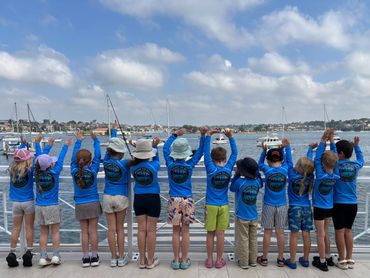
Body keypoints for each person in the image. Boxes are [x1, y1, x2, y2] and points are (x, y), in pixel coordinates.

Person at [163, 127, 207, 270]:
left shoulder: (170, 164)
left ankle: (176, 260)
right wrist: (202, 135)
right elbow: (200, 152)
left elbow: (164, 149)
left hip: (174, 200)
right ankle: (185, 258)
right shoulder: (189, 165)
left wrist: (174, 135)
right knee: (186, 231)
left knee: (175, 232)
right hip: (187, 200)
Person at [6, 135, 43, 267]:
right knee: (29, 228)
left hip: (15, 203)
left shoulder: (12, 170)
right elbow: (39, 159)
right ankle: (29, 252)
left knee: (15, 228)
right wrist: (37, 145)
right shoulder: (30, 170)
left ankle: (12, 252)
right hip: (28, 203)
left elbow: (19, 156)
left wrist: (22, 145)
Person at [203, 128, 237, 269]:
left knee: (210, 234)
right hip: (223, 205)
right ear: (224, 159)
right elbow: (235, 153)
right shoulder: (228, 169)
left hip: (210, 205)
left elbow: (205, 153)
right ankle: (219, 260)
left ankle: (209, 260)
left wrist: (208, 137)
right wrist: (231, 137)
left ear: (212, 159)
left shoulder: (210, 169)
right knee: (221, 234)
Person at [34, 139, 72, 266]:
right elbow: (60, 159)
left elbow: (39, 158)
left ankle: (43, 257)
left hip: (39, 206)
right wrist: (66, 146)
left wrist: (40, 145)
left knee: (43, 233)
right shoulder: (55, 172)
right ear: (51, 165)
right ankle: (56, 256)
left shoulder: (37, 173)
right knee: (55, 232)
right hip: (53, 206)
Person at [128, 137, 161, 269]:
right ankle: (150, 260)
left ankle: (142, 260)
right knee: (151, 231)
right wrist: (156, 147)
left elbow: (136, 160)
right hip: (153, 198)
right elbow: (157, 159)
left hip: (139, 198)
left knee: (141, 230)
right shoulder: (154, 165)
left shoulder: (133, 167)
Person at [71, 130, 102, 267]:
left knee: (84, 232)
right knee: (93, 231)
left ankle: (85, 258)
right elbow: (98, 156)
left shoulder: (73, 171)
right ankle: (94, 257)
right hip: (93, 202)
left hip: (80, 204)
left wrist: (78, 141)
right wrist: (96, 141)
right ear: (90, 161)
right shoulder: (93, 170)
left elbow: (73, 159)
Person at [332, 137, 364, 269]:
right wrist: (356, 146)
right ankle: (350, 258)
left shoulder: (335, 166)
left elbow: (331, 158)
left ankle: (342, 259)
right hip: (353, 203)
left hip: (338, 203)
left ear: (341, 154)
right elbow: (361, 160)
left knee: (339, 231)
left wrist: (331, 142)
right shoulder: (355, 166)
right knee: (348, 231)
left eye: (336, 152)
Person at [284, 139, 315, 269]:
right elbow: (308, 163)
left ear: (299, 168)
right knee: (306, 234)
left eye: (297, 164)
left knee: (294, 235)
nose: (294, 164)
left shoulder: (292, 175)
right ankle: (305, 259)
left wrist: (287, 147)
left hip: (294, 208)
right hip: (307, 208)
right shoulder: (309, 177)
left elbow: (288, 161)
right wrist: (310, 150)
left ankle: (292, 260)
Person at [312, 129, 340, 272]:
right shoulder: (336, 175)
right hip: (330, 207)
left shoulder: (320, 176)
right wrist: (332, 141)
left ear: (322, 164)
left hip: (319, 207)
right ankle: (328, 256)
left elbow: (316, 159)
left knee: (320, 234)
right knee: (326, 233)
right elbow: (335, 158)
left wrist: (323, 140)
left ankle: (322, 261)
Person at [103, 123, 130, 267]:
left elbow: (109, 152)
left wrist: (113, 133)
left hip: (107, 196)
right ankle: (121, 256)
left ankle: (113, 258)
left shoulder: (106, 162)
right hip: (121, 196)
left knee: (111, 229)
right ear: (120, 152)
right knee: (120, 229)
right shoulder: (125, 163)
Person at [257, 141, 288, 267]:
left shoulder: (267, 170)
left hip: (268, 204)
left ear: (268, 160)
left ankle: (264, 258)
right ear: (281, 159)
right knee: (280, 233)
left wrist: (264, 151)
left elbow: (259, 164)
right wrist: (285, 149)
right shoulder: (285, 169)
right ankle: (280, 258)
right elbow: (288, 163)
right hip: (282, 205)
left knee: (267, 232)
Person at [230, 157, 261, 269]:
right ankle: (253, 261)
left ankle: (243, 262)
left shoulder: (240, 182)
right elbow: (260, 179)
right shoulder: (257, 182)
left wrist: (236, 175)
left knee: (243, 239)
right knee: (253, 239)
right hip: (254, 216)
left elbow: (232, 188)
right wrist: (255, 171)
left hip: (242, 216)